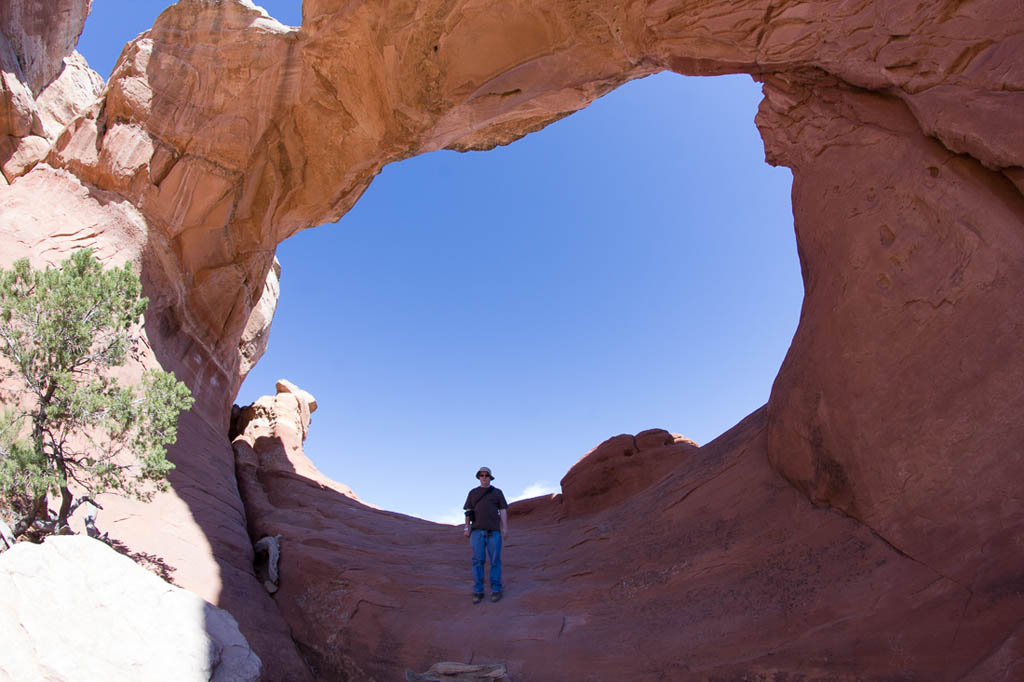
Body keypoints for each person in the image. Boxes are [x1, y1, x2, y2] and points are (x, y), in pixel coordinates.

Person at [463, 466, 508, 603]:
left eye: (486, 475)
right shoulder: (473, 493)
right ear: (479, 477)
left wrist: (505, 528)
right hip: (476, 531)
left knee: (495, 561)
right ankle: (478, 591)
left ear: (490, 477)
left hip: (493, 531)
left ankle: (496, 589)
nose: (484, 477)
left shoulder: (497, 493)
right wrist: (466, 527)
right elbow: (468, 511)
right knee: (477, 561)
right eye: (481, 475)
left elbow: (503, 510)